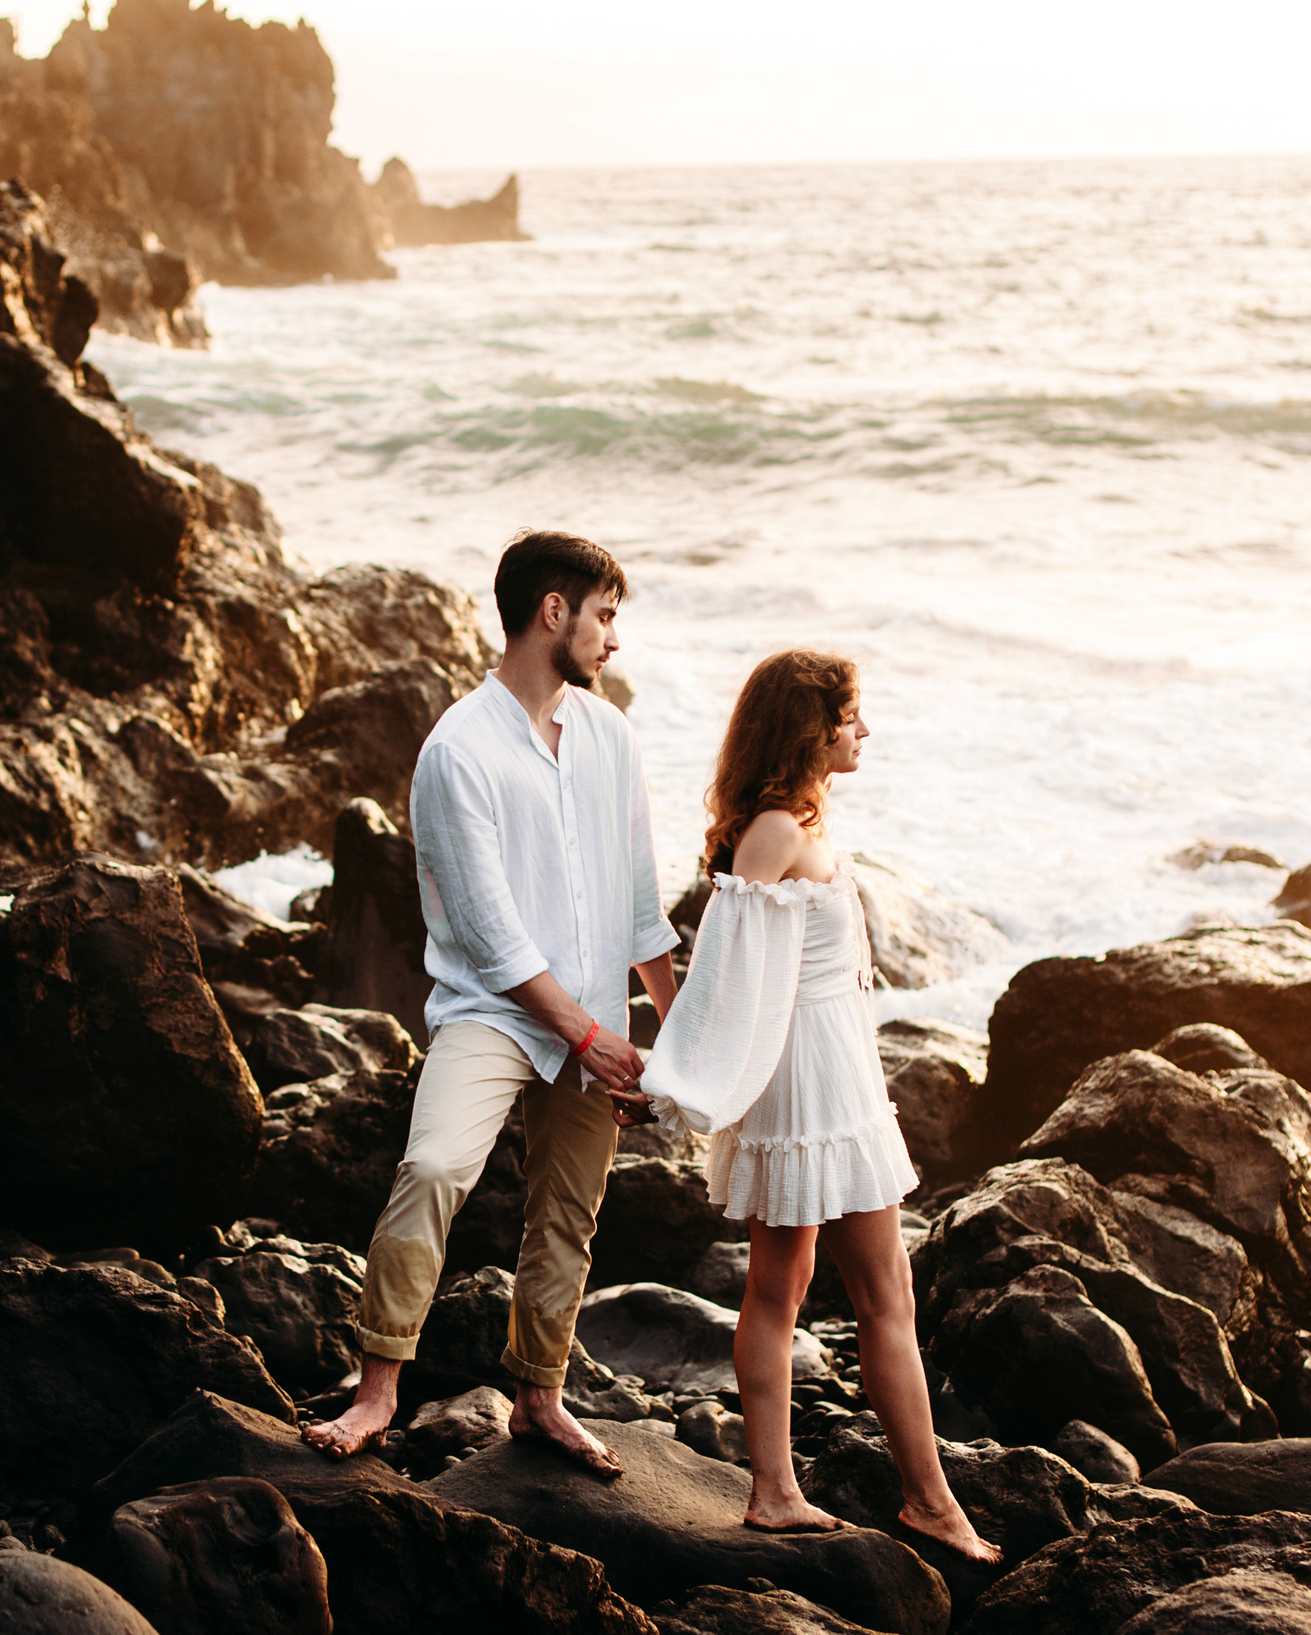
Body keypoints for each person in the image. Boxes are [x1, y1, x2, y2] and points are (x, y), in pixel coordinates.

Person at [302, 530, 680, 1475]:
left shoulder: (610, 734)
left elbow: (640, 901)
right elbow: (490, 935)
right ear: (552, 612)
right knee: (432, 1167)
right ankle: (377, 1391)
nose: (613, 640)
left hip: (595, 1014)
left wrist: (674, 1032)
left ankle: (539, 1400)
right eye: (605, 616)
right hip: (494, 1012)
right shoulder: (455, 751)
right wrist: (589, 1035)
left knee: (568, 1210)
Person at [635, 649, 1000, 1559]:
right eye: (852, 716)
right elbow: (723, 974)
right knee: (876, 1294)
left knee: (791, 1285)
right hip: (808, 1083)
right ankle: (922, 1502)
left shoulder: (798, 825)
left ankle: (781, 1492)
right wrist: (673, 1083)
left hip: (827, 1070)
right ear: (813, 727)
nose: (864, 730)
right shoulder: (775, 835)